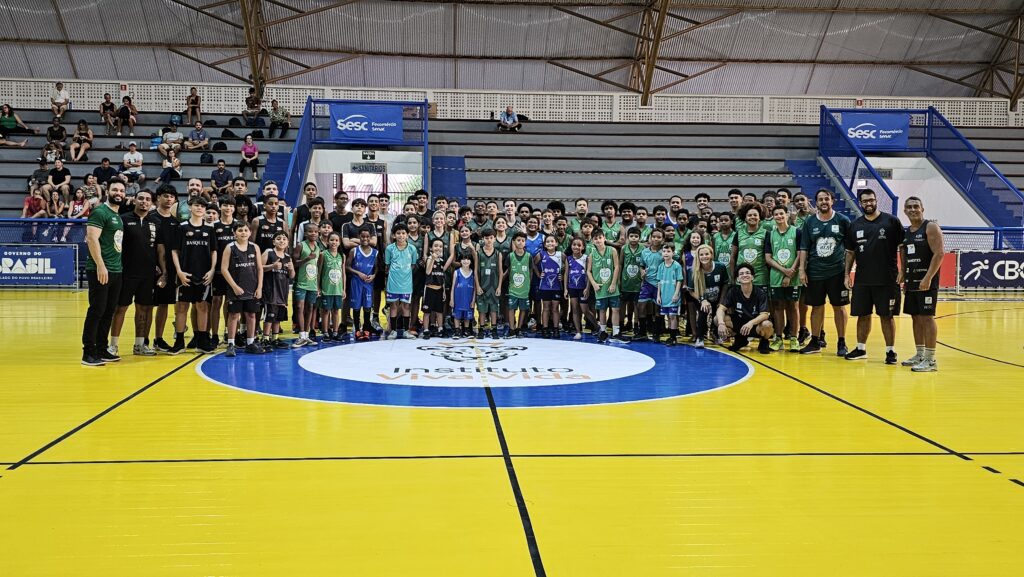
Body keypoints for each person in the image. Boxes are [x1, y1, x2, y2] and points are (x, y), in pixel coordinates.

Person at [844, 188, 905, 364]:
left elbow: (902, 247)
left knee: (887, 315)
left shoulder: (891, 222)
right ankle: (861, 348)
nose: (869, 203)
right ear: (860, 203)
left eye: (871, 200)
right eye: (865, 201)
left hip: (887, 278)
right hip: (863, 279)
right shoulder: (855, 225)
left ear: (876, 200)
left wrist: (903, 270)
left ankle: (890, 351)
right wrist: (847, 274)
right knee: (863, 315)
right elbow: (850, 252)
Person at [798, 188, 850, 356]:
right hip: (815, 272)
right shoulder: (810, 222)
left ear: (832, 200)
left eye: (826, 199)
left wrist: (848, 272)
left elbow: (851, 248)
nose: (823, 202)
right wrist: (801, 270)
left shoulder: (842, 220)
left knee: (839, 307)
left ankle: (842, 342)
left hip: (837, 272)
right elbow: (804, 247)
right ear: (816, 202)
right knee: (816, 307)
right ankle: (815, 341)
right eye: (820, 199)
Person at [109, 188, 160, 357]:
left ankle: (140, 345)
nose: (144, 201)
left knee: (143, 309)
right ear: (135, 200)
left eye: (147, 199)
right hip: (126, 272)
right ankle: (113, 345)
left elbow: (159, 249)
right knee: (121, 308)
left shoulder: (154, 222)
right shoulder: (123, 220)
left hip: (147, 275)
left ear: (152, 203)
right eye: (141, 198)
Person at [81, 181, 126, 366]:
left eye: (122, 191)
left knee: (109, 311)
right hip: (101, 269)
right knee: (97, 310)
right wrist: (100, 265)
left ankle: (101, 348)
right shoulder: (100, 212)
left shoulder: (117, 215)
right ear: (107, 191)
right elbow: (92, 239)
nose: (119, 193)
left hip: (116, 270)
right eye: (115, 189)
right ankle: (88, 352)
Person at [169, 196, 218, 355]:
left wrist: (211, 270)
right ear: (190, 207)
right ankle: (179, 342)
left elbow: (214, 251)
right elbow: (174, 251)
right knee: (182, 307)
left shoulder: (209, 229)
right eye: (197, 205)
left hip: (203, 275)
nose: (199, 209)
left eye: (203, 207)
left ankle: (202, 341)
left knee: (202, 306)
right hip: (185, 274)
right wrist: (179, 271)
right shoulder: (182, 227)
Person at [900, 197, 944, 372]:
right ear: (905, 211)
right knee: (915, 317)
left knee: (927, 317)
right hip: (912, 282)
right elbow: (905, 254)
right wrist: (903, 273)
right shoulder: (907, 231)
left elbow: (939, 254)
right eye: (909, 207)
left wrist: (928, 278)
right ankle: (919, 354)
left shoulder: (931, 227)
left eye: (916, 206)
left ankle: (930, 359)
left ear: (922, 209)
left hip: (926, 282)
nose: (913, 209)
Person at [221, 222, 264, 357]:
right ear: (234, 233)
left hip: (252, 287)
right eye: (240, 230)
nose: (243, 232)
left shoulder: (254, 247)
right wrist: (234, 286)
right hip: (236, 288)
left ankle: (250, 342)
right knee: (234, 316)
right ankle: (231, 344)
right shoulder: (230, 247)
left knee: (251, 315)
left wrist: (260, 287)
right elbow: (224, 269)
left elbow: (259, 268)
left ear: (250, 233)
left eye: (246, 230)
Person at [764, 204, 802, 352]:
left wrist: (791, 272)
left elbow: (800, 254)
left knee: (793, 307)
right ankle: (778, 338)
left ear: (787, 215)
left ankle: (794, 338)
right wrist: (784, 271)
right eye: (776, 215)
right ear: (773, 217)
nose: (779, 217)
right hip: (776, 277)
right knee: (778, 308)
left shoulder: (797, 232)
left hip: (794, 276)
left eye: (781, 214)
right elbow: (768, 258)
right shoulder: (770, 234)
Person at [717, 263, 774, 354]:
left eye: (747, 273)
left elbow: (765, 314)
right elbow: (721, 308)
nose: (745, 275)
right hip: (740, 323)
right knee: (717, 319)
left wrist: (751, 323)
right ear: (738, 279)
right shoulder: (733, 291)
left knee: (767, 324)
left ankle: (764, 342)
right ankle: (740, 340)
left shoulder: (760, 293)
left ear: (752, 277)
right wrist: (721, 323)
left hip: (754, 325)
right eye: (741, 274)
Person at [687, 244, 729, 348]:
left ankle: (715, 334)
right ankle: (700, 337)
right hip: (701, 297)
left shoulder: (720, 267)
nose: (704, 256)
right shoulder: (693, 270)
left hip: (717, 297)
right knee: (703, 311)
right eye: (701, 254)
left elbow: (725, 284)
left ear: (711, 255)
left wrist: (722, 300)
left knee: (717, 313)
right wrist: (703, 300)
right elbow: (691, 291)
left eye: (707, 254)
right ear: (698, 256)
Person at [210, 196, 238, 348]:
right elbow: (211, 250)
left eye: (231, 206)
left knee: (231, 303)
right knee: (216, 302)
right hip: (218, 271)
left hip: (235, 272)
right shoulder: (213, 226)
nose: (228, 208)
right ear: (220, 207)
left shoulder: (239, 226)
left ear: (234, 208)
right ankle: (214, 334)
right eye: (225, 205)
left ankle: (229, 333)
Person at [383, 223, 419, 339]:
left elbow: (413, 265)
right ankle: (393, 331)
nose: (401, 235)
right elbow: (387, 265)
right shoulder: (389, 248)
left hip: (406, 283)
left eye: (403, 233)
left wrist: (404, 274)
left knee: (406, 307)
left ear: (407, 235)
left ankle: (406, 331)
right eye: (398, 233)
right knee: (393, 306)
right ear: (394, 235)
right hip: (393, 283)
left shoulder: (412, 249)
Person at [261, 231, 294, 350]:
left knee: (278, 317)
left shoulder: (288, 257)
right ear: (273, 241)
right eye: (279, 238)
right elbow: (258, 267)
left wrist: (291, 269)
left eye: (284, 239)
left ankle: (275, 338)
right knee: (270, 316)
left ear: (288, 243)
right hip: (270, 290)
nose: (282, 241)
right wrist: (272, 266)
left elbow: (292, 275)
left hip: (282, 291)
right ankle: (265, 338)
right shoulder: (269, 252)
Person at [588, 229, 623, 342]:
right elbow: (588, 271)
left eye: (600, 237)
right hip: (600, 287)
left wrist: (613, 283)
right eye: (595, 238)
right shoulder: (592, 254)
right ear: (592, 241)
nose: (598, 240)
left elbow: (617, 267)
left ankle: (616, 332)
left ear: (604, 238)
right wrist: (594, 284)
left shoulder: (612, 250)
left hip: (612, 286)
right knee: (602, 310)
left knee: (615, 309)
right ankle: (603, 332)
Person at [291, 221, 321, 348]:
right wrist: (307, 259)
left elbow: (318, 268)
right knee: (299, 308)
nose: (313, 233)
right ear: (305, 233)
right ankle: (301, 335)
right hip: (301, 283)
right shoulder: (300, 246)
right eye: (310, 231)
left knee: (310, 308)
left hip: (312, 284)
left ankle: (307, 334)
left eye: (315, 231)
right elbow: (294, 263)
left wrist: (318, 285)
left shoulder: (318, 248)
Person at [347, 229, 378, 341]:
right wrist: (358, 273)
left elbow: (377, 267)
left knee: (367, 307)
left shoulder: (375, 252)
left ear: (370, 238)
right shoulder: (354, 251)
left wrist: (374, 275)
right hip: (356, 282)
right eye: (363, 237)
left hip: (368, 283)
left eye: (367, 237)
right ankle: (357, 329)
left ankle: (366, 328)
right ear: (359, 237)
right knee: (356, 307)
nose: (365, 239)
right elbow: (347, 266)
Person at [731, 202, 769, 288]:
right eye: (749, 215)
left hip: (760, 277)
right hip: (742, 276)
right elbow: (733, 257)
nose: (752, 217)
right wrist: (733, 276)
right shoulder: (738, 233)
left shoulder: (766, 233)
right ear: (745, 218)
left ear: (760, 217)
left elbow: (768, 257)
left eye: (755, 215)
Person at [317, 232, 347, 342]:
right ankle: (325, 332)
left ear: (339, 243)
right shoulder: (323, 254)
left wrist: (344, 289)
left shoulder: (342, 256)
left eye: (336, 240)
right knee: (325, 311)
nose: (334, 242)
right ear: (327, 241)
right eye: (332, 240)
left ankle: (335, 331)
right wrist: (318, 287)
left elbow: (343, 274)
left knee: (336, 311)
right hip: (326, 288)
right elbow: (319, 272)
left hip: (338, 289)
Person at [474, 228, 503, 338]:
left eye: (491, 238)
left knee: (494, 309)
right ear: (483, 239)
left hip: (494, 285)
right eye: (487, 238)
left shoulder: (498, 254)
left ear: (494, 239)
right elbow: (476, 271)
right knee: (482, 309)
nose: (489, 240)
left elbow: (500, 272)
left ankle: (494, 329)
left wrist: (499, 286)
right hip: (482, 285)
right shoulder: (478, 253)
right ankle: (481, 329)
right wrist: (477, 286)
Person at [654, 243, 684, 346]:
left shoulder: (676, 265)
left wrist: (676, 294)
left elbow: (679, 280)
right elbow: (659, 282)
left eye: (668, 251)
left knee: (672, 316)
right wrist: (658, 295)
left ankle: (673, 337)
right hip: (664, 296)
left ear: (673, 253)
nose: (666, 253)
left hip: (673, 296)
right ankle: (671, 336)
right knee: (667, 316)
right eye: (664, 251)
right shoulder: (661, 266)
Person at [535, 235, 563, 339]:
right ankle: (545, 328)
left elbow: (569, 265)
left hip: (556, 286)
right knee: (546, 308)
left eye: (552, 241)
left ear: (556, 243)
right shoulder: (541, 254)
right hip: (545, 286)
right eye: (548, 242)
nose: (550, 243)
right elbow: (533, 264)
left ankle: (555, 329)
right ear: (545, 244)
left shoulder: (561, 255)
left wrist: (563, 274)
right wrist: (538, 274)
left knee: (555, 308)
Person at [564, 236, 592, 341]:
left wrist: (588, 288)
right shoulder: (568, 259)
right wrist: (565, 289)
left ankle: (598, 328)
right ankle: (578, 331)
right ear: (571, 246)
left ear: (583, 247)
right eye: (574, 245)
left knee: (585, 310)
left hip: (583, 288)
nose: (576, 247)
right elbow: (566, 273)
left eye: (579, 245)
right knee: (574, 309)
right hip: (572, 288)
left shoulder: (586, 258)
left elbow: (589, 274)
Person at [421, 238, 449, 339]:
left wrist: (444, 290)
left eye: (440, 246)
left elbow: (442, 276)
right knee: (427, 312)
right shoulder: (429, 258)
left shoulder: (442, 260)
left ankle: (440, 329)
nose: (438, 248)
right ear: (431, 248)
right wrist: (432, 259)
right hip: (429, 289)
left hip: (439, 289)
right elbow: (428, 272)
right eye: (436, 246)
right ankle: (426, 330)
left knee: (439, 311)